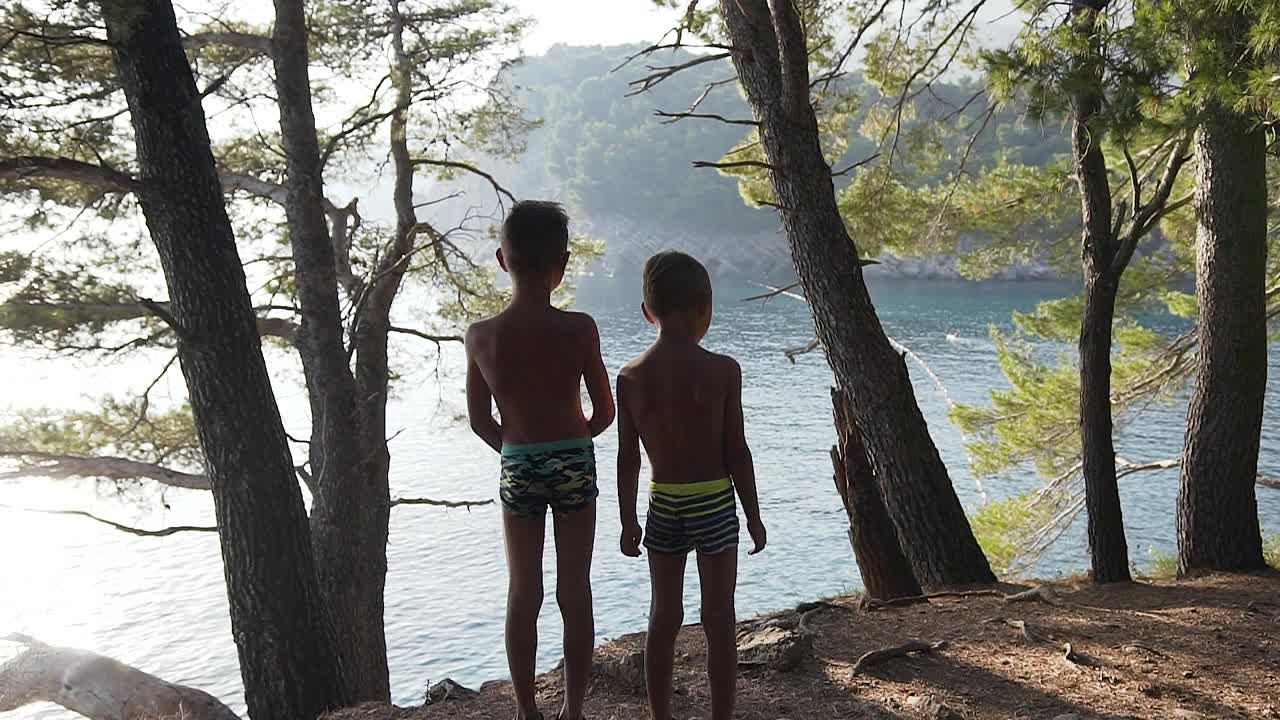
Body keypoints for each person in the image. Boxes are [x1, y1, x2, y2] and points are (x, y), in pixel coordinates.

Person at [465, 200, 615, 720]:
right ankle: (573, 710)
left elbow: (481, 421)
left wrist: (518, 449)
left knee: (522, 590)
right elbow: (605, 410)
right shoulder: (579, 328)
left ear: (503, 259)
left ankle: (530, 712)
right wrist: (578, 440)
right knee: (575, 588)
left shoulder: (481, 336)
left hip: (519, 462)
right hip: (573, 458)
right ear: (563, 264)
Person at [615, 250, 767, 720]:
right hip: (716, 504)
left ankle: (661, 716)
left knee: (664, 615)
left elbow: (628, 459)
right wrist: (754, 514)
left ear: (647, 312)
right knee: (719, 617)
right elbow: (736, 452)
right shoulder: (723, 371)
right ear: (706, 307)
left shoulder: (630, 377)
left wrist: (627, 521)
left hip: (663, 506)